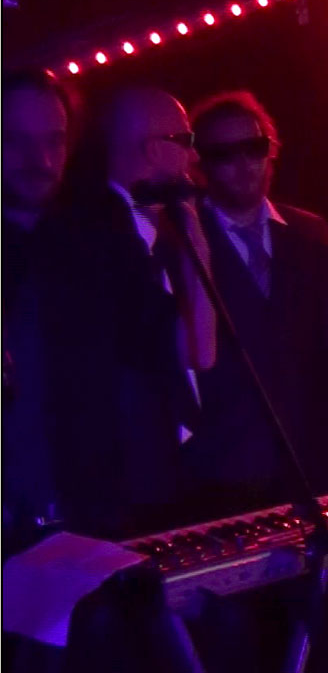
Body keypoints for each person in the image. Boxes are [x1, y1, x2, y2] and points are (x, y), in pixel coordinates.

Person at [32, 86, 215, 539]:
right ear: (154, 148)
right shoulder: (93, 234)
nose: (194, 157)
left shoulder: (154, 228)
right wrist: (196, 236)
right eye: (186, 141)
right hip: (119, 486)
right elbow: (197, 351)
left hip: (157, 475)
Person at [187, 91, 328, 513]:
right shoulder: (182, 236)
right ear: (201, 163)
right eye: (224, 153)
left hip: (312, 453)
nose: (243, 164)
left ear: (271, 150)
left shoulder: (308, 231)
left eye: (253, 147)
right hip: (224, 463)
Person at [2, 70, 73, 545]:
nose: (41, 160)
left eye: (54, 141)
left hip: (86, 519)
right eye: (16, 141)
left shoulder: (90, 246)